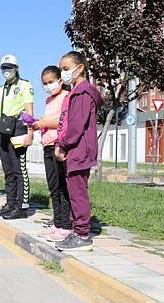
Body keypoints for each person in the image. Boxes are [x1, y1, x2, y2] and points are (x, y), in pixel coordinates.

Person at [54, 51, 102, 252]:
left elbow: (76, 127)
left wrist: (62, 144)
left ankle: (82, 234)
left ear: (80, 68)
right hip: (76, 150)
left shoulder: (83, 93)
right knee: (74, 191)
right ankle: (77, 229)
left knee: (78, 193)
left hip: (79, 149)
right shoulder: (77, 92)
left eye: (66, 69)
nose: (63, 73)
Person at [0, 54, 34, 220]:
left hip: (18, 129)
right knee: (8, 171)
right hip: (3, 131)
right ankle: (11, 203)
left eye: (9, 67)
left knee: (19, 170)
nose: (6, 70)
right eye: (4, 68)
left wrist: (30, 133)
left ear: (16, 68)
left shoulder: (24, 86)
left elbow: (29, 112)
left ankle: (21, 206)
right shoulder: (0, 90)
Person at [32, 66, 72, 241]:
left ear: (60, 81)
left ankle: (66, 225)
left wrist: (44, 123)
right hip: (47, 145)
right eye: (44, 84)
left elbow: (64, 121)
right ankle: (57, 222)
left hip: (59, 144)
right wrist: (38, 124)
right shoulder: (48, 100)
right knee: (53, 187)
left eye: (50, 82)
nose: (48, 86)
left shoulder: (66, 97)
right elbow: (48, 121)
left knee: (63, 187)